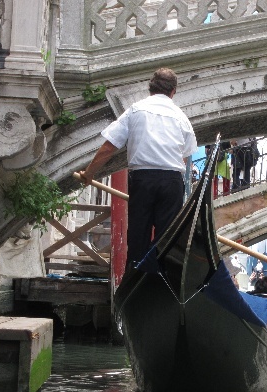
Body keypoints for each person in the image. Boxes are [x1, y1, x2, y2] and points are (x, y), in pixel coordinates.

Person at [80, 67, 198, 267]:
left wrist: (89, 174)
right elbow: (185, 158)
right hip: (172, 182)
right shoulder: (181, 118)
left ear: (150, 88)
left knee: (138, 235)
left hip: (143, 180)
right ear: (173, 92)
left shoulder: (136, 110)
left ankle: (135, 276)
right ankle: (158, 283)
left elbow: (108, 147)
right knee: (166, 239)